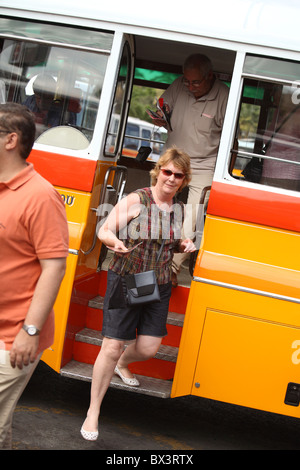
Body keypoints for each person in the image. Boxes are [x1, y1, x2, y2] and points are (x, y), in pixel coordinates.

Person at [80, 147, 196, 441]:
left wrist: (183, 246)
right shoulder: (137, 200)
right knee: (111, 346)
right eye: (167, 172)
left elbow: (169, 242)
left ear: (183, 180)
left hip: (157, 283)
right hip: (127, 278)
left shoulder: (179, 209)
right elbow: (105, 230)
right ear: (159, 171)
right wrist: (114, 243)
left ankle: (123, 363)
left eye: (178, 175)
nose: (171, 178)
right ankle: (93, 412)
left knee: (148, 348)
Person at [0, 103, 69, 449]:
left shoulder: (41, 196)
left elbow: (54, 267)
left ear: (11, 140)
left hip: (13, 337)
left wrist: (30, 331)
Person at [152, 54, 229, 287]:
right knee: (154, 207)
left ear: (210, 77)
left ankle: (171, 268)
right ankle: (149, 258)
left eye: (195, 82)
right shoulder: (178, 85)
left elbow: (230, 137)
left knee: (194, 217)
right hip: (173, 159)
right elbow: (163, 108)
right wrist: (160, 117)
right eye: (187, 81)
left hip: (204, 165)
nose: (190, 86)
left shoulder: (224, 96)